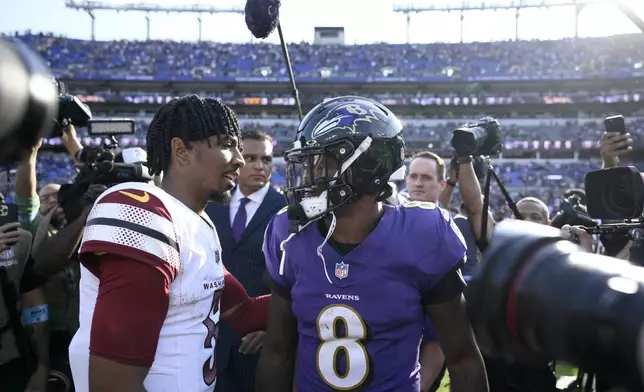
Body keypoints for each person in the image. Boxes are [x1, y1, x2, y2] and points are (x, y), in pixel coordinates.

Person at [256, 96, 488, 392]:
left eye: (320, 162)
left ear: (366, 166)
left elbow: (463, 359)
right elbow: (277, 352)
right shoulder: (288, 233)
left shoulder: (423, 233)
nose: (308, 175)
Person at [69, 95, 271, 392]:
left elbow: (242, 310)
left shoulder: (198, 222)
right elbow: (113, 382)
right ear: (182, 150)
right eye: (227, 144)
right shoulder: (143, 211)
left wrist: (323, 292)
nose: (239, 160)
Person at [206, 130, 286, 392]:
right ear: (237, 159)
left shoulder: (287, 210)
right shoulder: (209, 205)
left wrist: (274, 331)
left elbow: (294, 281)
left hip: (261, 348)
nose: (259, 166)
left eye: (266, 159)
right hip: (209, 346)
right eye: (251, 158)